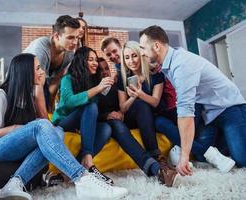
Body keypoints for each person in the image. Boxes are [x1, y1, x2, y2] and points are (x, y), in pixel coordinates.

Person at [0, 53, 129, 200]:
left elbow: (46, 125)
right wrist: (13, 129)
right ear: (25, 73)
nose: (43, 72)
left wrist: (38, 89)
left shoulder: (29, 97)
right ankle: (82, 179)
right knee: (44, 127)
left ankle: (14, 184)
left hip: (12, 147)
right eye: (38, 68)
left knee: (57, 131)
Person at [139, 25, 246, 176]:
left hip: (229, 108)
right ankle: (231, 138)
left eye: (143, 48)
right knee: (202, 156)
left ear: (156, 46)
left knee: (242, 159)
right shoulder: (169, 63)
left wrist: (184, 157)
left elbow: (185, 113)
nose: (142, 53)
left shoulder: (182, 65)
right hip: (209, 113)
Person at [97, 57, 179, 187]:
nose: (104, 72)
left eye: (106, 68)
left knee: (141, 105)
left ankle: (156, 156)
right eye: (100, 70)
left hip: (123, 116)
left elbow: (122, 106)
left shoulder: (116, 83)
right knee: (119, 127)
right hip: (107, 122)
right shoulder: (94, 88)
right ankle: (156, 169)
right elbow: (92, 113)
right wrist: (107, 115)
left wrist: (121, 112)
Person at [52, 46, 115, 185]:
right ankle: (88, 162)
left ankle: (77, 167)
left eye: (95, 60)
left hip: (81, 123)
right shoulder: (67, 79)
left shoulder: (93, 81)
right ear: (81, 61)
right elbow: (68, 103)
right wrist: (97, 89)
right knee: (91, 105)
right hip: (64, 121)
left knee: (106, 128)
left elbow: (93, 112)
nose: (95, 63)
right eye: (90, 60)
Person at [24, 15, 80, 112]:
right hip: (21, 85)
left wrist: (50, 111)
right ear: (56, 36)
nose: (75, 42)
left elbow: (55, 82)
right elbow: (37, 85)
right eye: (70, 37)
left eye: (77, 37)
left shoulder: (70, 53)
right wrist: (44, 118)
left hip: (40, 86)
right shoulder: (41, 48)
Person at [118, 41, 163, 159]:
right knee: (141, 105)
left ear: (140, 55)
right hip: (132, 117)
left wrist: (140, 94)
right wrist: (133, 97)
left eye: (134, 55)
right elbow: (123, 108)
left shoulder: (156, 75)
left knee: (144, 104)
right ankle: (155, 156)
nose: (131, 61)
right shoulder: (122, 78)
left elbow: (155, 102)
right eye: (127, 57)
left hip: (153, 115)